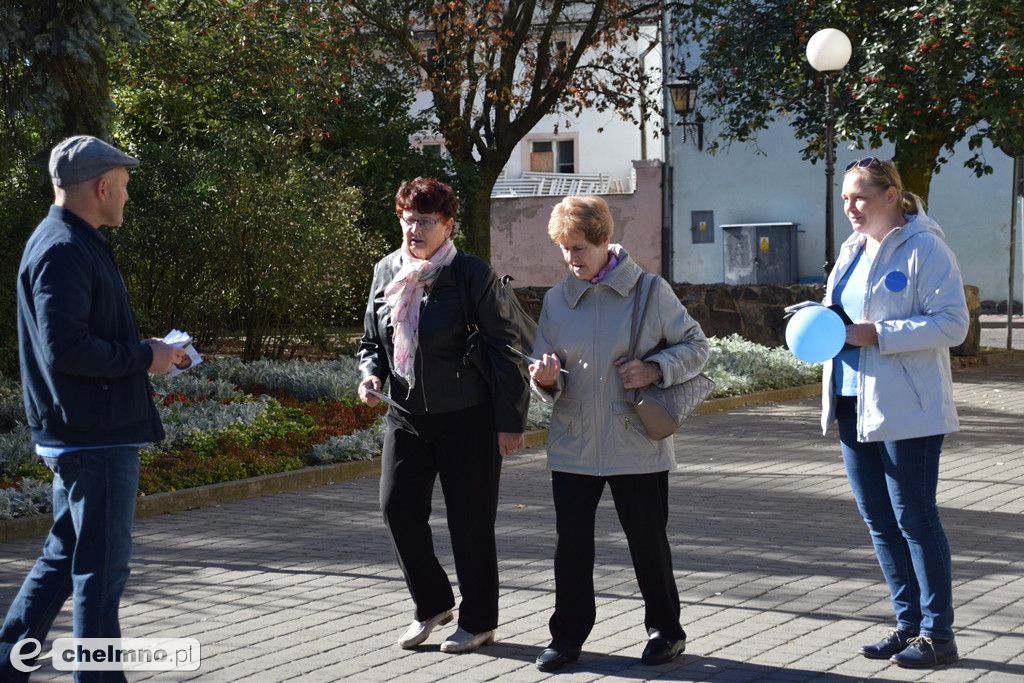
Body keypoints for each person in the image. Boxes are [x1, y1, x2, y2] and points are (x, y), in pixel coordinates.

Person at [0, 135, 188, 682]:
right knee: (100, 578)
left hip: (83, 432)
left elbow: (74, 337)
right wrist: (143, 356)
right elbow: (67, 349)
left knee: (63, 562)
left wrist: (149, 351)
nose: (127, 197)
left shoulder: (67, 240)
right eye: (124, 187)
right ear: (102, 186)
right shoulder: (63, 248)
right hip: (94, 437)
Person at [527, 195, 709, 672]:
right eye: (564, 249)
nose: (571, 258)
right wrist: (545, 378)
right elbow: (548, 368)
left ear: (604, 241)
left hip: (637, 442)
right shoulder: (555, 299)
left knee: (648, 542)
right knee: (571, 548)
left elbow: (697, 346)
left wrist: (654, 368)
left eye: (579, 247)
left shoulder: (650, 290)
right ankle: (566, 638)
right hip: (572, 443)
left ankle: (666, 631)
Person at [357, 177, 530, 654]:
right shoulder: (386, 270)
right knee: (397, 509)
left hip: (468, 417)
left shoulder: (471, 275)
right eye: (408, 219)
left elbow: (506, 350)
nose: (414, 229)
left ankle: (478, 622)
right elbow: (373, 342)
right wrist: (370, 375)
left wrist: (510, 421)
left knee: (470, 521)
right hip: (407, 414)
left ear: (447, 224)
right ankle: (432, 604)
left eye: (425, 221)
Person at [823, 157, 969, 669]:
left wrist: (879, 334)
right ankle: (908, 626)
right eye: (845, 198)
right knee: (880, 522)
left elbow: (953, 325)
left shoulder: (926, 246)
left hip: (908, 406)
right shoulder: (851, 250)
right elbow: (847, 316)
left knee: (915, 518)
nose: (850, 207)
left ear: (891, 195)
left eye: (860, 196)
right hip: (851, 401)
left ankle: (939, 635)